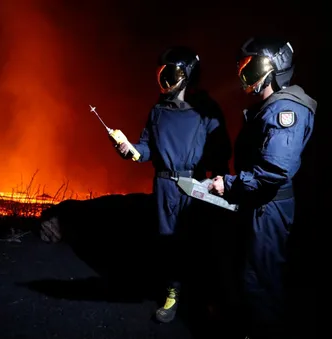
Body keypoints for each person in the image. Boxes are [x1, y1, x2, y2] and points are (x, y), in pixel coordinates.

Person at [208, 36, 317, 338]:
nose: (244, 75)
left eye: (250, 67)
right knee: (250, 270)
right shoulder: (271, 106)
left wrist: (229, 185)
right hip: (259, 204)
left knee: (261, 277)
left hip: (268, 208)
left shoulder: (285, 110)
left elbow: (275, 169)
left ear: (272, 68)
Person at [114, 46, 231, 323]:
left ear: (187, 74)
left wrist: (221, 182)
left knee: (198, 241)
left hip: (197, 184)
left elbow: (221, 150)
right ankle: (173, 293)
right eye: (161, 75)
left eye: (170, 74)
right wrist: (130, 149)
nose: (164, 81)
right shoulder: (158, 111)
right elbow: (146, 149)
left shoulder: (206, 110)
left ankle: (204, 297)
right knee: (169, 244)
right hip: (165, 186)